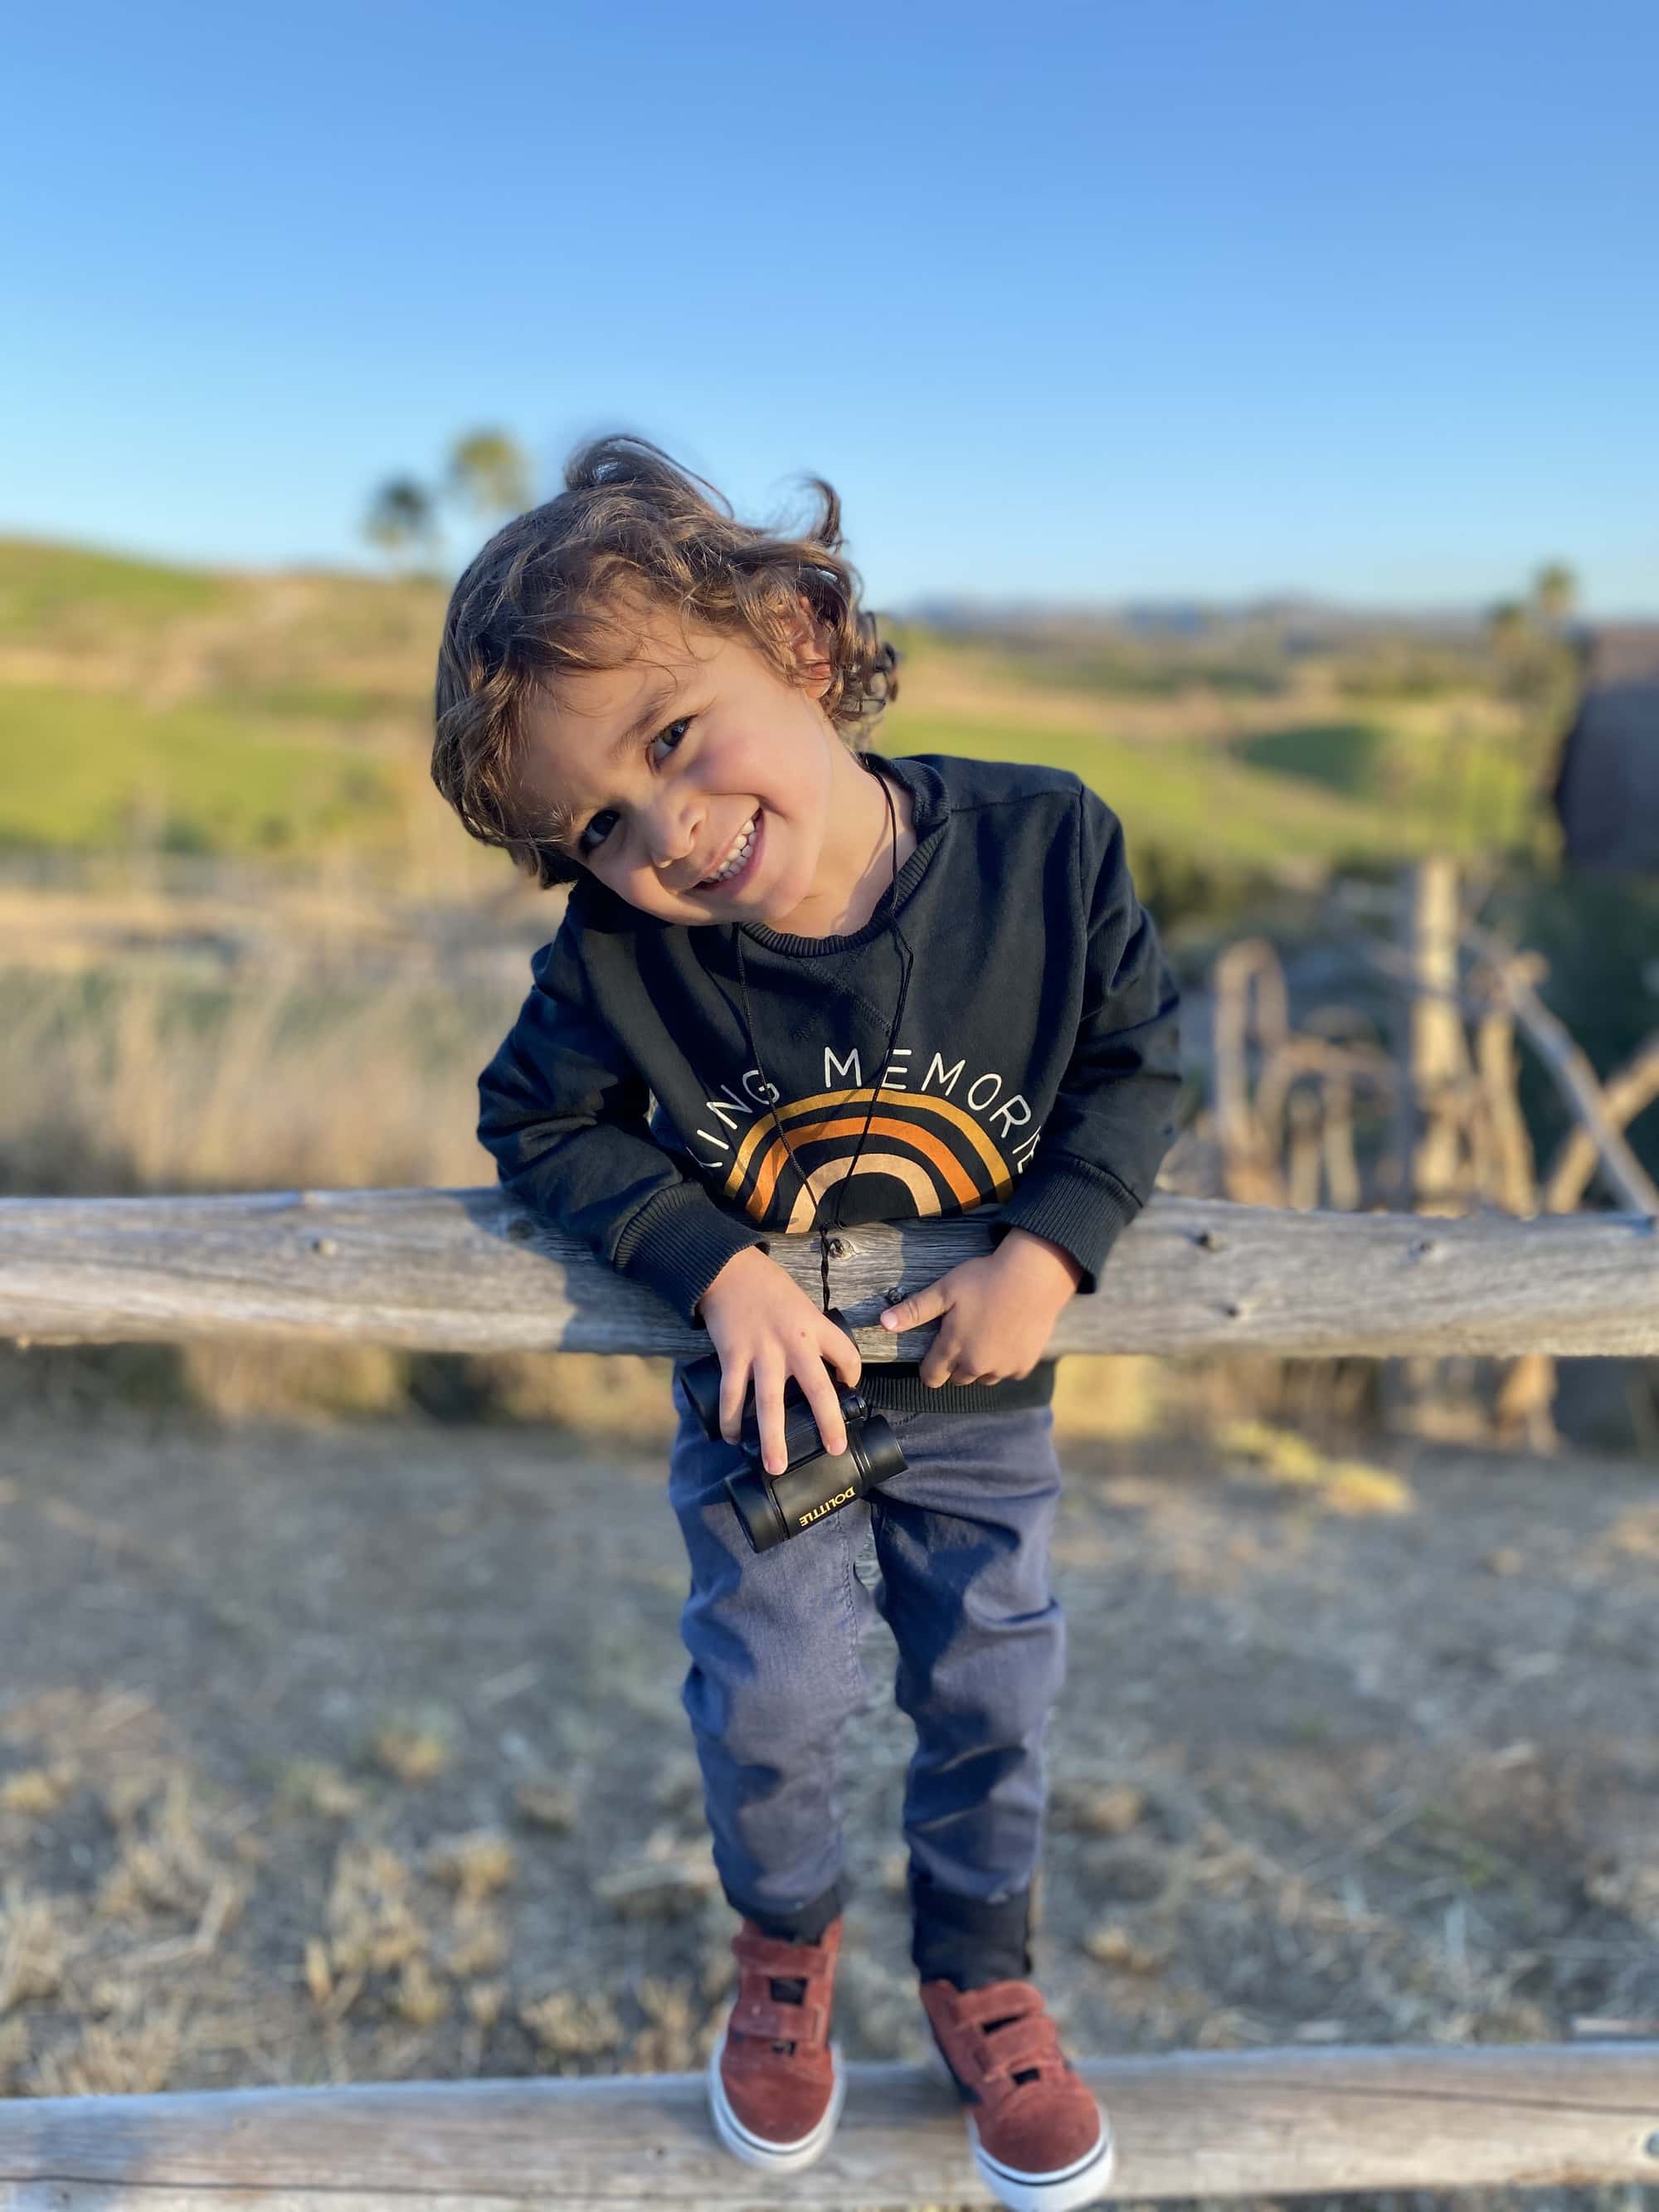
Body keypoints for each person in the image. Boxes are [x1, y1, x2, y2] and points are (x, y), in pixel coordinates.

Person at [431, 431, 1181, 2211]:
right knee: (772, 1701)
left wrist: (1050, 1255)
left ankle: (982, 1970)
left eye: (672, 738)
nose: (660, 831)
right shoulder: (621, 967)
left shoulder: (1044, 851)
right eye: (596, 826)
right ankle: (782, 1952)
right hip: (769, 1414)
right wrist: (719, 1265)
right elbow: (529, 1120)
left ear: (803, 634)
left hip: (975, 1388)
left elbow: (1139, 1062)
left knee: (996, 1682)